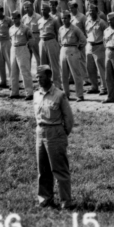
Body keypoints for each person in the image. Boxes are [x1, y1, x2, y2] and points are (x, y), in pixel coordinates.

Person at [33, 64, 74, 209]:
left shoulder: (59, 95)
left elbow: (69, 119)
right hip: (40, 132)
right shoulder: (36, 94)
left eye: (41, 77)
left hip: (55, 133)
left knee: (59, 169)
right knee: (43, 169)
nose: (39, 80)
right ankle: (45, 199)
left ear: (49, 77)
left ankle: (65, 202)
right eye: (37, 77)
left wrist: (61, 134)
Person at [58, 12, 87, 102]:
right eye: (62, 18)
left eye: (65, 18)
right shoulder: (61, 29)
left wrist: (78, 48)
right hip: (63, 49)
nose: (64, 20)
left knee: (76, 74)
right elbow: (59, 40)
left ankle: (80, 95)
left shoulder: (75, 29)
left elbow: (83, 40)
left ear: (69, 18)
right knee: (63, 74)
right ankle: (66, 94)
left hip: (73, 50)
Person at [9, 11, 34, 100]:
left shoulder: (25, 28)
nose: (14, 19)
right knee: (13, 71)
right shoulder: (11, 28)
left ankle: (29, 92)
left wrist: (28, 49)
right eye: (12, 18)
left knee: (25, 71)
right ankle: (14, 92)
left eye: (15, 18)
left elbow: (31, 39)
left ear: (19, 18)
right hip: (13, 48)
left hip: (23, 48)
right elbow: (10, 39)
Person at [0, 4, 13, 91]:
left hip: (7, 42)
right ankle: (2, 81)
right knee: (0, 63)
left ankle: (13, 82)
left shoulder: (8, 20)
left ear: (2, 11)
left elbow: (13, 30)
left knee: (10, 63)